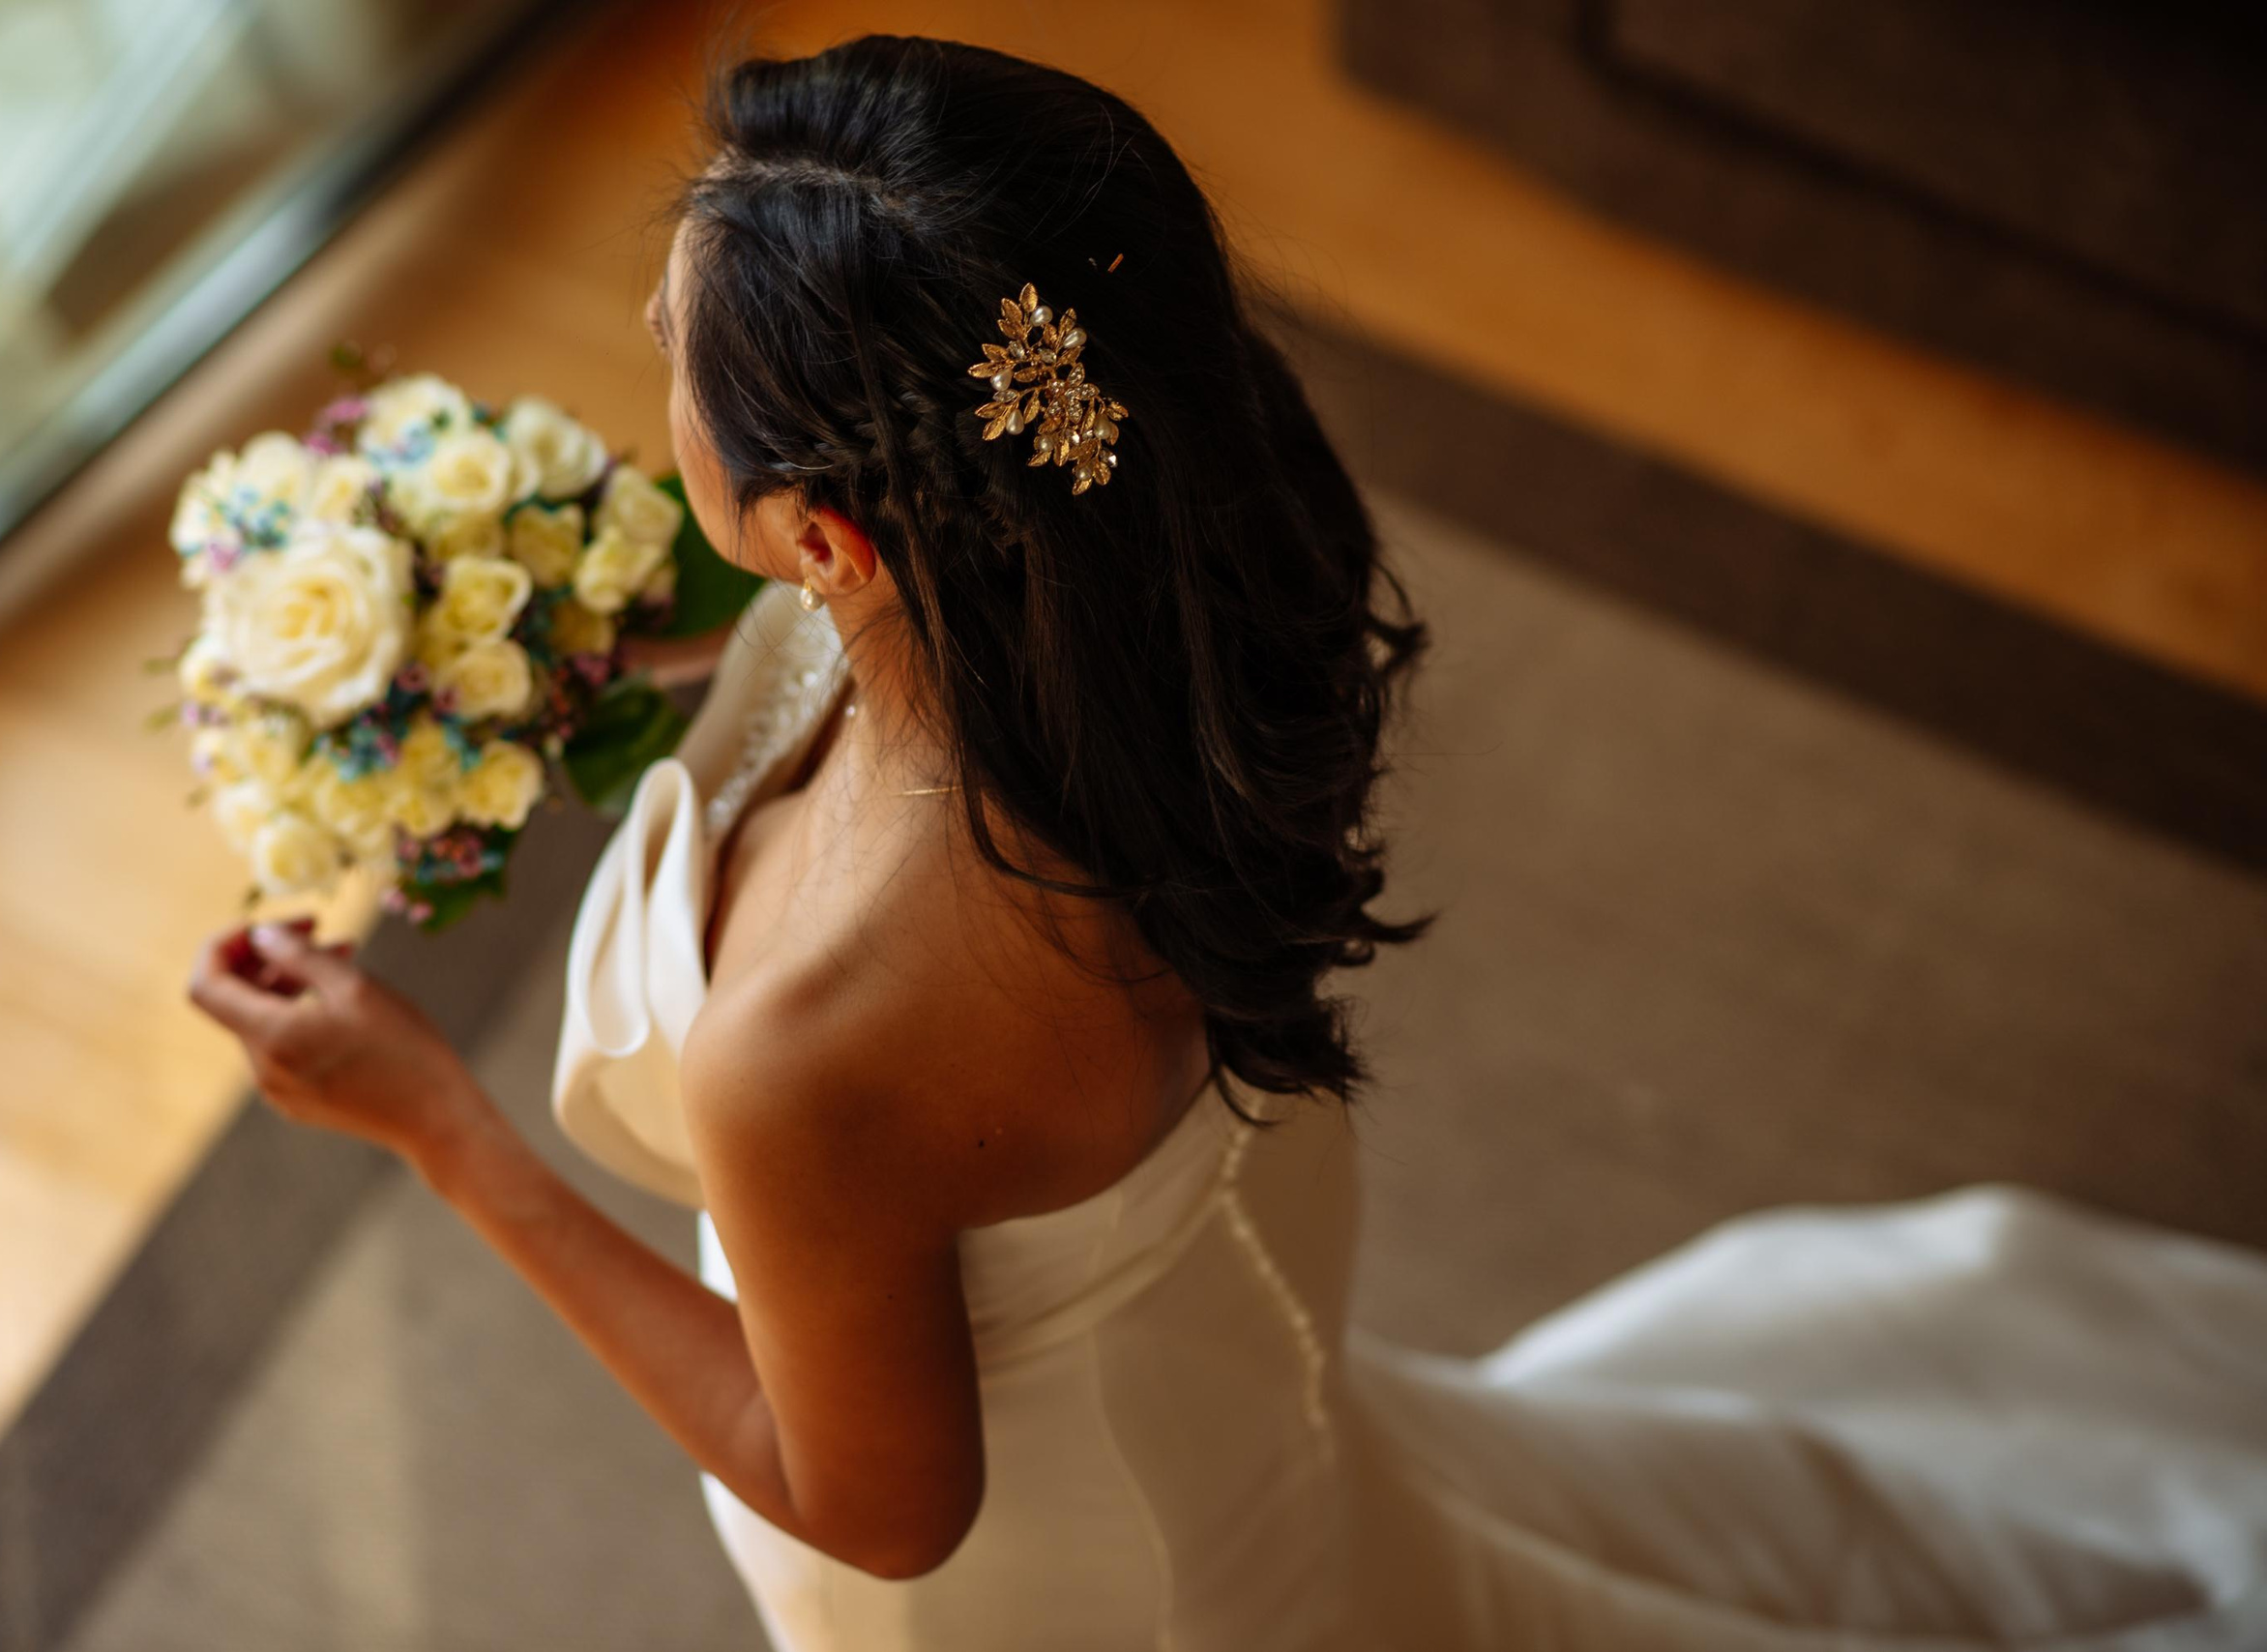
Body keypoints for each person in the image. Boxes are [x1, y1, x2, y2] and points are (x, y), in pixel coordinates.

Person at [190, 33, 2267, 1651]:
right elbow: (851, 622)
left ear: (830, 538)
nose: (649, 365)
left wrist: (434, 1120)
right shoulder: (1164, 566)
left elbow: (874, 1497)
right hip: (1211, 1354)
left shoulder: (811, 1042)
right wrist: (565, 622)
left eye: (671, 357)